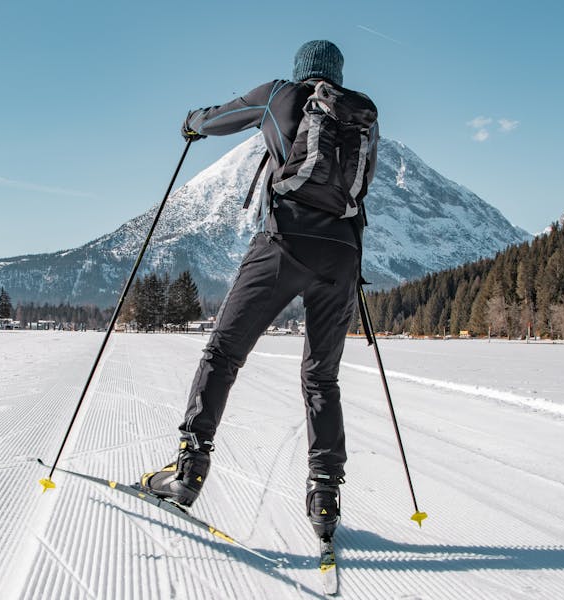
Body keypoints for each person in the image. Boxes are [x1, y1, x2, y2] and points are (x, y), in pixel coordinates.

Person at [141, 40, 379, 541]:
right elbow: (359, 196)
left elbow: (219, 118)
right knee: (322, 377)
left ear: (301, 71)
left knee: (223, 352)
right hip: (340, 254)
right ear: (337, 74)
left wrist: (191, 123)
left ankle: (188, 470)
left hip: (284, 243)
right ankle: (324, 494)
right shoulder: (359, 117)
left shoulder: (280, 95)